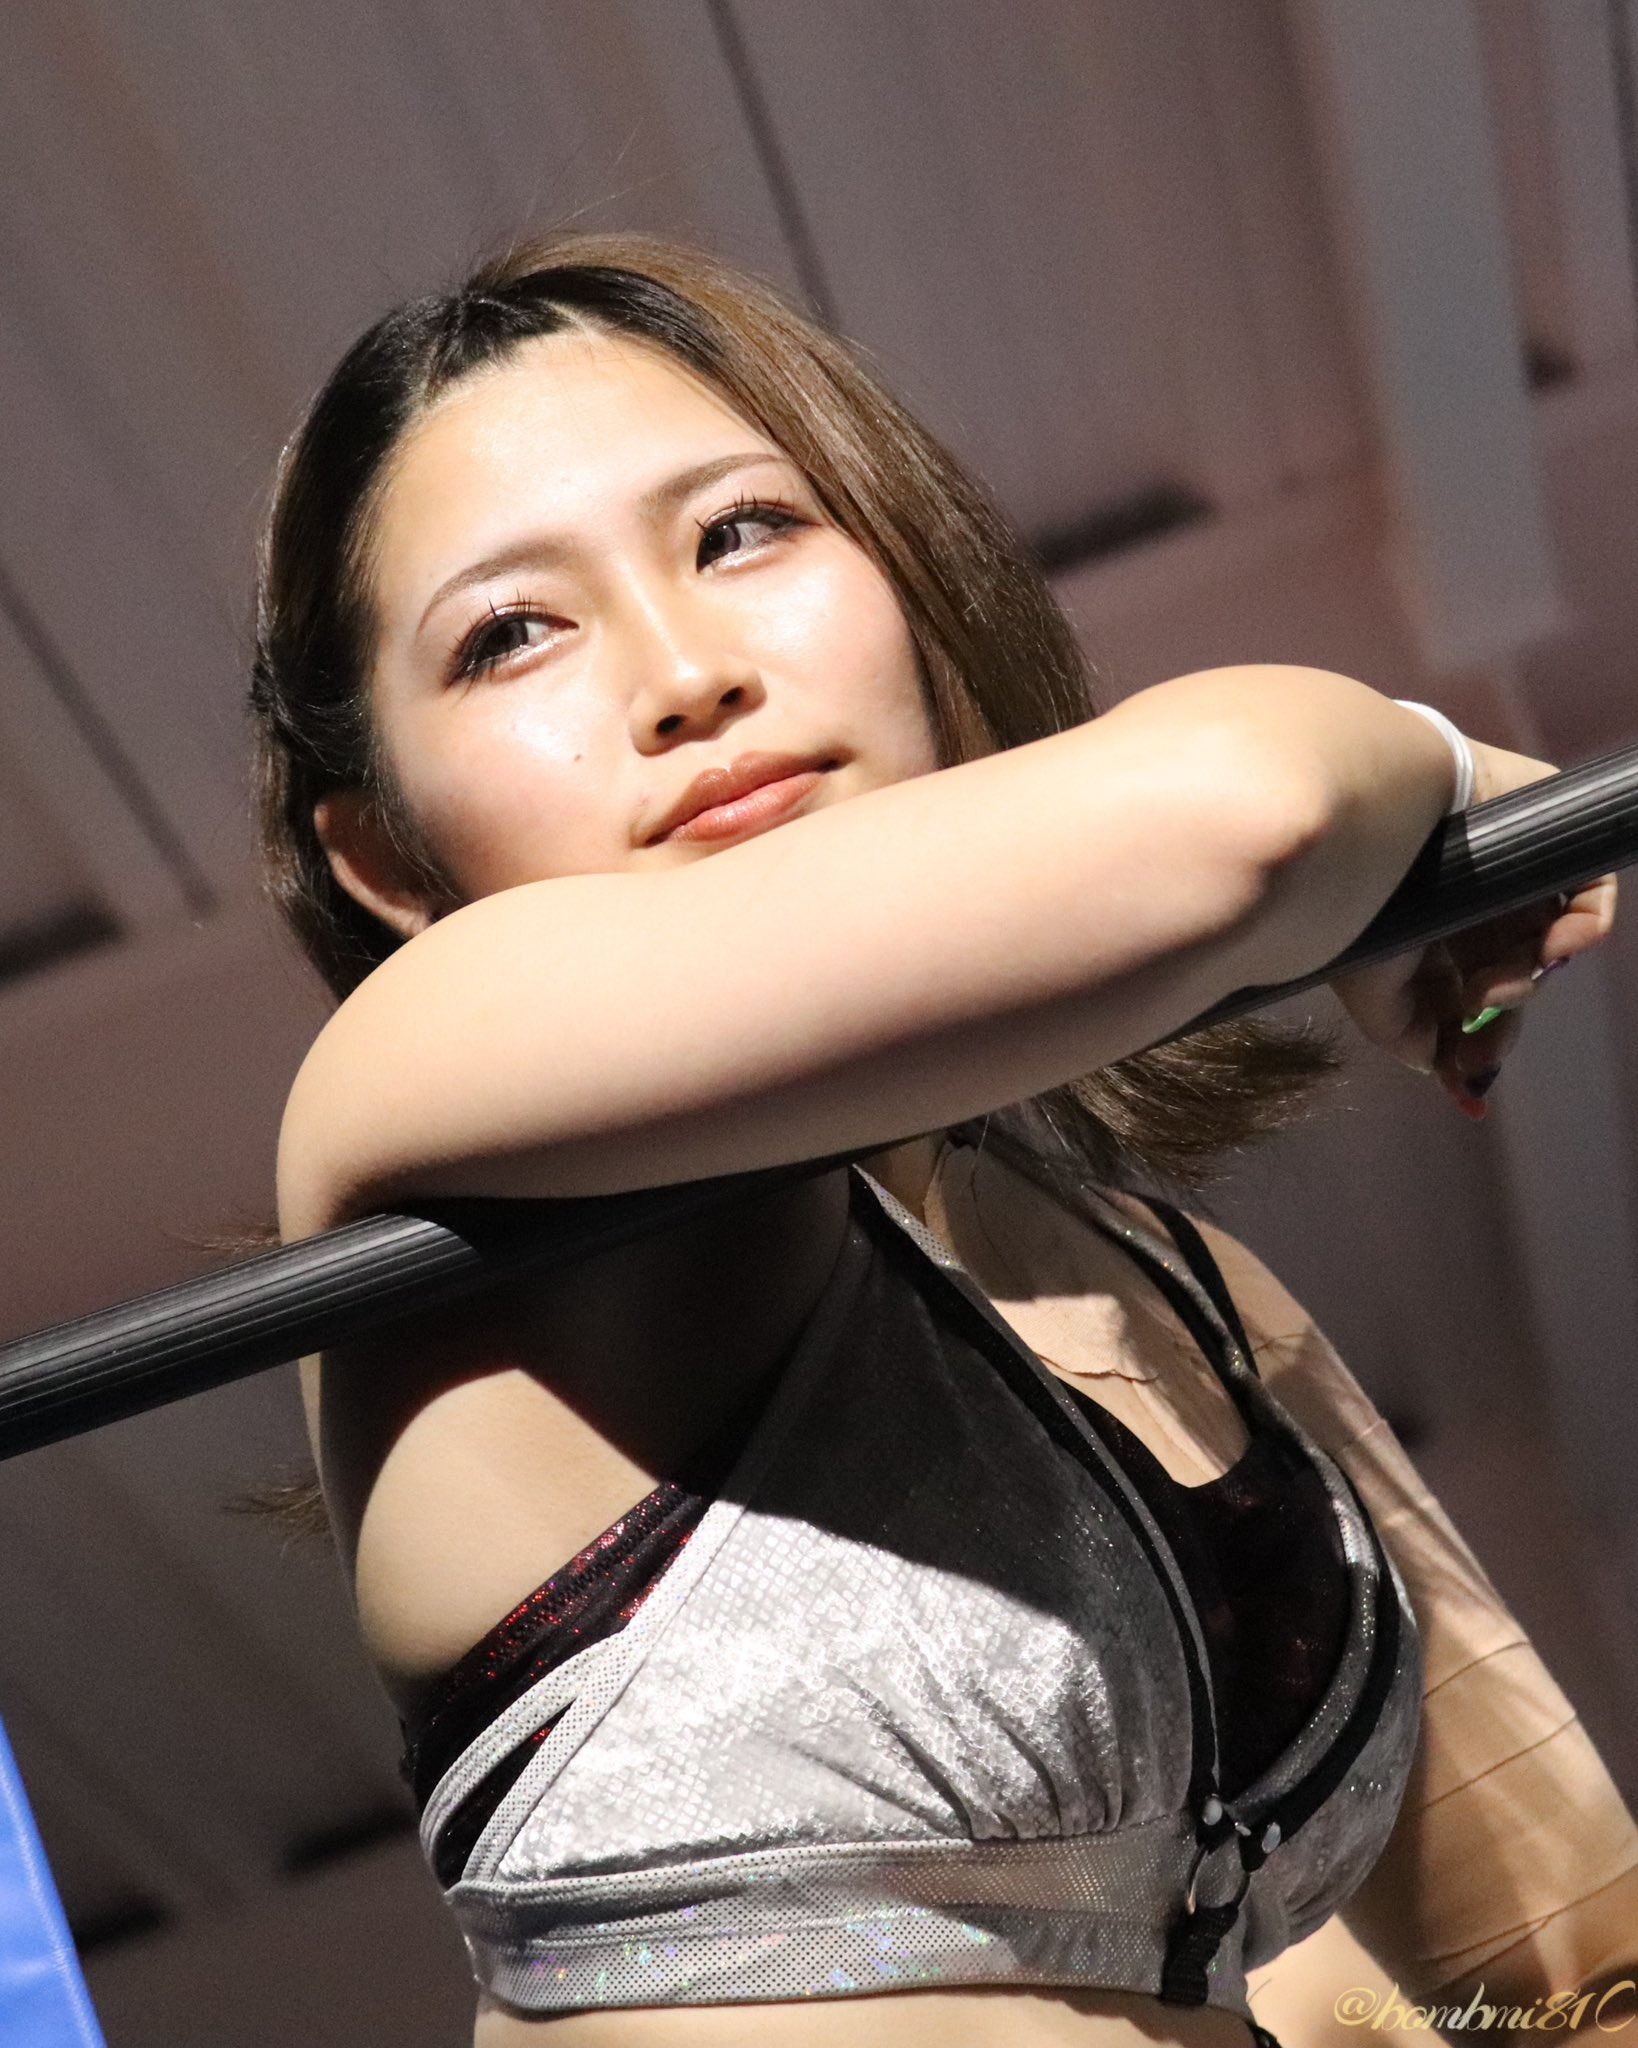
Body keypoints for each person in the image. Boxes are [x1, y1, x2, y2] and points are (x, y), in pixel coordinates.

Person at [254, 233, 1638, 2047]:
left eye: (741, 532)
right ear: (383, 857)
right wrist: (1430, 770)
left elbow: (1574, 1966)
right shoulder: (406, 1086)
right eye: (511, 633)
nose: (683, 673)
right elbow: (1245, 812)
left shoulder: (1179, 1296)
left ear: (907, 582)